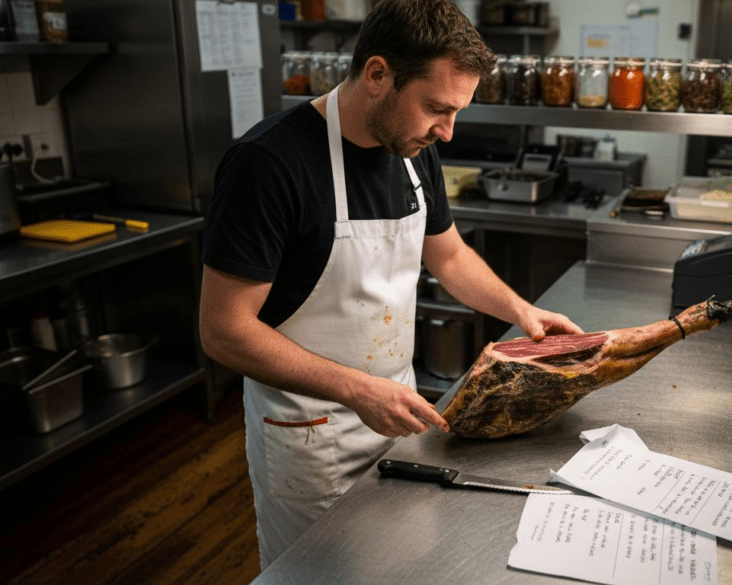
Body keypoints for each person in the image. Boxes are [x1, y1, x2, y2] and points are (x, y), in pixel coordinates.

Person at [198, 0, 583, 569]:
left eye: (456, 112)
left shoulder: (412, 151)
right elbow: (223, 332)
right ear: (378, 75)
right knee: (320, 578)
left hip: (397, 413)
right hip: (311, 435)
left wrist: (521, 310)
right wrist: (356, 390)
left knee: (396, 567)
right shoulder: (269, 164)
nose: (447, 133)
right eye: (436, 108)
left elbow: (448, 255)